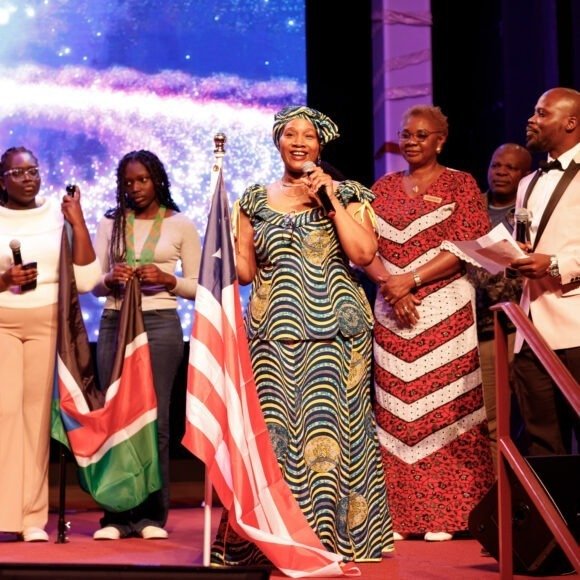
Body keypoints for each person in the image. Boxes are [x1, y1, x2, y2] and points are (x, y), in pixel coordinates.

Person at [212, 105, 394, 565]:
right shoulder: (253, 201)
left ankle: (335, 539)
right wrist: (217, 234)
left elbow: (363, 253)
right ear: (278, 142)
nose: (299, 142)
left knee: (336, 433)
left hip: (338, 336)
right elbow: (245, 271)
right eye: (290, 134)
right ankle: (276, 534)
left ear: (320, 144)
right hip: (273, 335)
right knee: (276, 433)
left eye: (308, 136)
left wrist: (330, 199)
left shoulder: (348, 194)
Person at [364, 104, 496, 542]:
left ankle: (448, 514)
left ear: (440, 140)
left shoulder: (461, 183)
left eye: (422, 135)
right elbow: (365, 248)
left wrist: (412, 280)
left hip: (444, 308)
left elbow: (467, 244)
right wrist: (392, 286)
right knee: (395, 412)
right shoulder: (382, 188)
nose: (411, 141)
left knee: (445, 407)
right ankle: (400, 516)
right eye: (406, 134)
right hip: (391, 310)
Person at [91, 150, 201, 540]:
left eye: (143, 180)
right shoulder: (110, 224)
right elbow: (93, 283)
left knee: (156, 421)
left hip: (159, 324)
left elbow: (199, 286)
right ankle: (116, 516)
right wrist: (110, 279)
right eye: (128, 182)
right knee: (115, 417)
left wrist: (169, 280)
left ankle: (151, 516)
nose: (135, 188)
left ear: (158, 180)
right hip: (115, 322)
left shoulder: (180, 224)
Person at [0, 146, 100, 542]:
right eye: (18, 173)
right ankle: (5, 514)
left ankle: (31, 518)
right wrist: (5, 280)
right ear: (2, 180)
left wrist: (78, 220)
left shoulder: (57, 217)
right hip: (3, 322)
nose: (28, 178)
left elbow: (88, 279)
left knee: (37, 419)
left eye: (33, 171)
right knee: (6, 415)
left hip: (46, 324)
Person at [508, 87, 580, 457]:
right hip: (531, 331)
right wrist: (509, 256)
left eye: (542, 113)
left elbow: (554, 256)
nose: (531, 119)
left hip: (575, 326)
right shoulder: (528, 182)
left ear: (570, 122)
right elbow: (525, 244)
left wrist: (553, 263)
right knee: (542, 445)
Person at [469, 143, 532, 469]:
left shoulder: (529, 212)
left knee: (528, 419)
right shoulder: (471, 208)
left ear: (525, 175)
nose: (501, 173)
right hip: (478, 329)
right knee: (490, 421)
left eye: (511, 168)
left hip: (519, 328)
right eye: (497, 166)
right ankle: (497, 495)